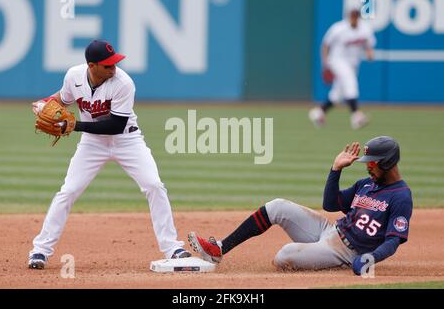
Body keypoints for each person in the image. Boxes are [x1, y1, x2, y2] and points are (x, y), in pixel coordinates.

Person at [28, 40, 191, 269]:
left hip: (127, 140)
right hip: (92, 145)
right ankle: (40, 251)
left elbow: (115, 125)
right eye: (107, 65)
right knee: (69, 191)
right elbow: (62, 98)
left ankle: (172, 247)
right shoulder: (74, 76)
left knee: (154, 185)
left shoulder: (123, 83)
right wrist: (45, 102)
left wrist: (74, 126)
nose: (113, 69)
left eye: (114, 64)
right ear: (91, 65)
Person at [188, 136, 412, 275]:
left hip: (346, 252)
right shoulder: (366, 184)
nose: (367, 167)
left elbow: (393, 241)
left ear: (388, 162)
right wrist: (336, 170)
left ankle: (336, 264)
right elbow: (331, 204)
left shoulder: (401, 196)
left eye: (371, 162)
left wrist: (368, 259)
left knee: (284, 256)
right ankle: (219, 249)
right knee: (277, 206)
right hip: (329, 230)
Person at [309, 9, 376, 130]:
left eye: (356, 16)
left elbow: (368, 45)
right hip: (336, 60)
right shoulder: (338, 28)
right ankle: (356, 116)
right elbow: (325, 45)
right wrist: (325, 64)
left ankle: (318, 112)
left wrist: (369, 53)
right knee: (350, 82)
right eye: (352, 16)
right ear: (348, 17)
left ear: (359, 17)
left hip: (353, 63)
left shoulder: (365, 29)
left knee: (337, 94)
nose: (354, 18)